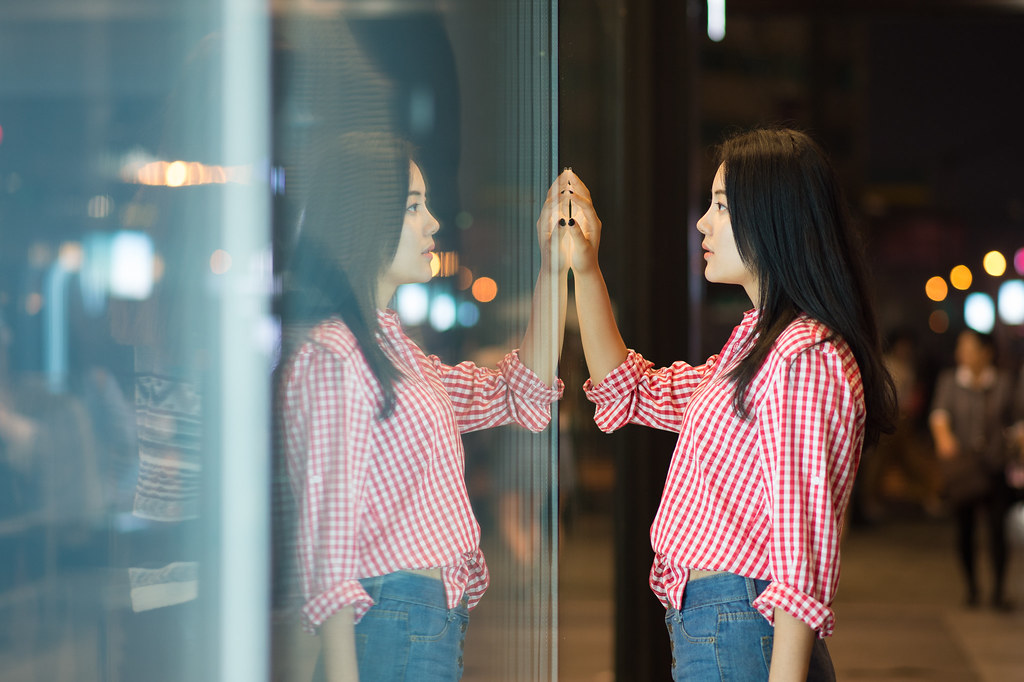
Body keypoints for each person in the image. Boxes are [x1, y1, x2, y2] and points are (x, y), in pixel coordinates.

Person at [565, 128, 896, 681]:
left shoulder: (803, 357)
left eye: (721, 205)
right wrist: (586, 267)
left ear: (773, 216)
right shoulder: (756, 346)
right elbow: (632, 390)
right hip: (723, 622)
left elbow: (801, 553)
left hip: (742, 623)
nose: (703, 222)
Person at [276, 131, 570, 682]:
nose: (433, 222)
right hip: (390, 618)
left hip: (416, 620)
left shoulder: (390, 349)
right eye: (413, 207)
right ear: (364, 218)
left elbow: (516, 391)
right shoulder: (335, 354)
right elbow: (328, 542)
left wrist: (553, 270)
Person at [929, 329, 1015, 611]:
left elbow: (1015, 418)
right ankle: (972, 588)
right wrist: (944, 437)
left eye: (968, 347)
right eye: (960, 346)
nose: (961, 352)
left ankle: (999, 590)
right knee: (964, 530)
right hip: (965, 471)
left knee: (997, 530)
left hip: (994, 467)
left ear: (985, 352)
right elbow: (939, 415)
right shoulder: (950, 381)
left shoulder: (1004, 383)